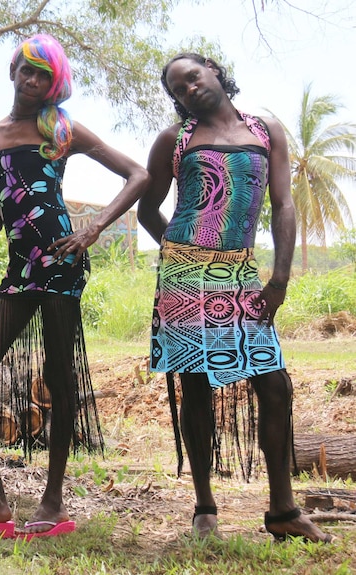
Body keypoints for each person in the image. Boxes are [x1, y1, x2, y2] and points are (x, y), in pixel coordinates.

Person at [0, 34, 148, 538]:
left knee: (58, 377)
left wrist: (94, 228)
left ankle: (52, 501)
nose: (32, 80)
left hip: (61, 265)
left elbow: (137, 174)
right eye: (26, 70)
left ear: (55, 84)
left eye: (43, 75)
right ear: (12, 72)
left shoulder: (60, 127)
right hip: (19, 270)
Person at [123, 53, 333, 543]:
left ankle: (282, 510)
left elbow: (283, 204)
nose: (188, 90)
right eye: (178, 89)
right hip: (185, 276)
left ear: (215, 71)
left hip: (241, 272)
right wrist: (179, 254)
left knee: (274, 386)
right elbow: (147, 208)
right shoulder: (174, 140)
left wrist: (278, 279)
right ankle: (204, 507)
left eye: (193, 77)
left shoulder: (265, 130)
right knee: (196, 388)